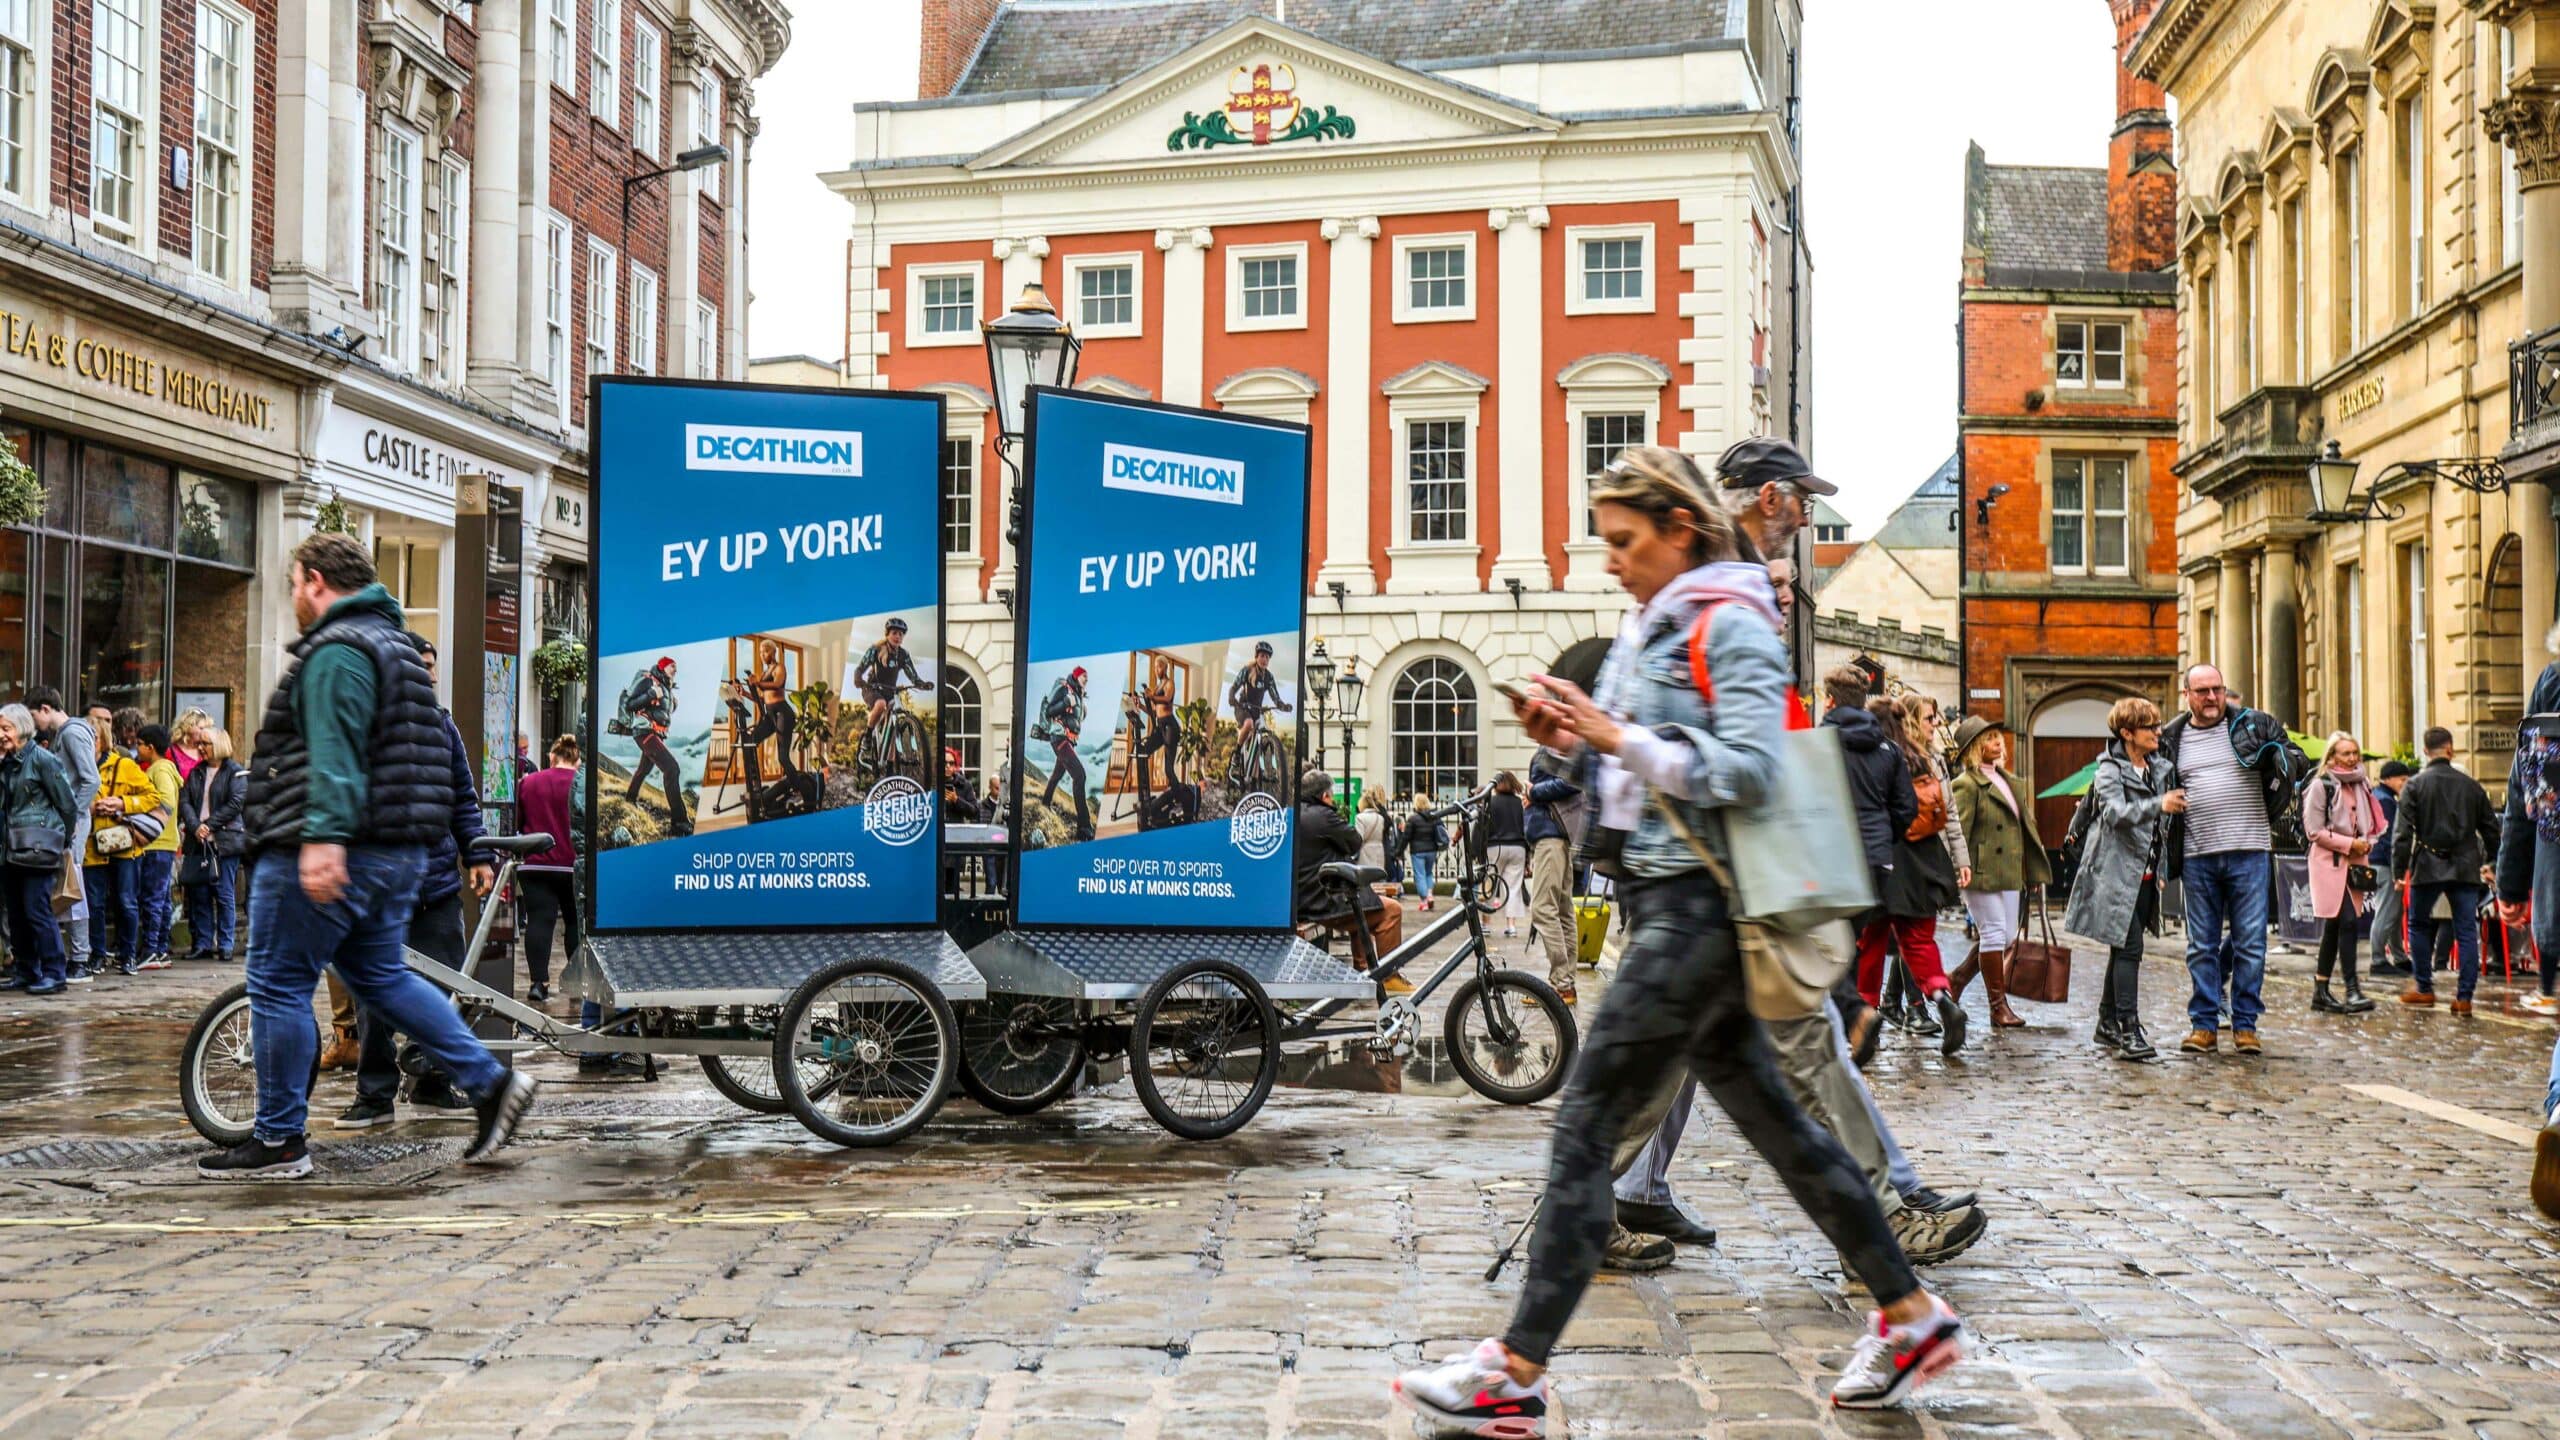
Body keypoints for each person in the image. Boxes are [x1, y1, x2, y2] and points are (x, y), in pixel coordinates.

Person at [1393, 447, 1961, 1434]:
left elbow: (1747, 771)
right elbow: (1638, 777)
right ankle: (1909, 1315)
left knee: (1583, 1131)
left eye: (1623, 540)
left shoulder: (1728, 619)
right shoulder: (1655, 625)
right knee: (1786, 1132)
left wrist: (1616, 740)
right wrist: (1574, 736)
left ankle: (1515, 1368)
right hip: (1667, 899)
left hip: (1696, 907)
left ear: (1680, 529)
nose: (1608, 558)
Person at [199, 532, 534, 1179]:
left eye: (295, 583)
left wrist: (325, 839)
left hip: (329, 846)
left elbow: (336, 748)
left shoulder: (339, 650)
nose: (293, 595)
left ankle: (278, 1142)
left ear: (318, 581)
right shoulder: (398, 651)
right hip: (398, 853)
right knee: (383, 977)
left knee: (277, 984)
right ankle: (490, 1084)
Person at [339, 633, 499, 1127]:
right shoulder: (367, 725)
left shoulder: (442, 726)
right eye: (421, 665)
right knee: (373, 1000)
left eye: (433, 665)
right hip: (381, 884)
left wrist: (475, 854)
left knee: (447, 988)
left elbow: (463, 799)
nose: (430, 673)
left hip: (435, 887)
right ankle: (374, 1094)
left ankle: (431, 1082)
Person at [2156, 663, 2298, 1056]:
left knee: (2251, 944)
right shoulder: (2171, 737)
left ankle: (2245, 1025)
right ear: (2187, 695)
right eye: (2202, 691)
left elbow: (2293, 756)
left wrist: (2284, 763)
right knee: (2200, 945)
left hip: (2250, 850)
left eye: (2217, 689)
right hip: (2198, 854)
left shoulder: (2254, 725)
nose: (2211, 697)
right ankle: (2204, 1025)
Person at [2062, 697, 2183, 1061]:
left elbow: (2160, 831)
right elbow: (2115, 813)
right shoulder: (2109, 771)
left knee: (2123, 947)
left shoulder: (2157, 768)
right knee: (2129, 949)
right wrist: (2158, 804)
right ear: (2127, 733)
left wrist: (2160, 871)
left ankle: (2107, 1022)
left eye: (2158, 725)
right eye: (2150, 727)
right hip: (2114, 875)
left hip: (2144, 876)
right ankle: (2129, 1028)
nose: (2158, 732)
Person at [1855, 694, 1969, 1054]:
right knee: (1919, 940)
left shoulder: (1874, 756)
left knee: (1869, 942)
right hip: (1923, 861)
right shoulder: (1920, 758)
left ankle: (1867, 1013)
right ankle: (1942, 998)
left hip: (1882, 858)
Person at [1947, 717, 2046, 1029]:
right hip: (1980, 870)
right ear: (1975, 748)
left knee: (2005, 937)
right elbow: (1958, 830)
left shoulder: (2009, 780)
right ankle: (1998, 1008)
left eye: (1998, 737)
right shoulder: (1966, 784)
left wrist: (2032, 872)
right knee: (1992, 933)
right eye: (1990, 738)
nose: (1998, 742)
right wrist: (1958, 868)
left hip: (2010, 869)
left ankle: (1957, 978)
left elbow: (2023, 830)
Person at [2394, 726, 2499, 1016]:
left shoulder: (2414, 786)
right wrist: (2492, 862)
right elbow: (2492, 831)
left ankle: (2425, 988)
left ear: (2426, 751)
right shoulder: (2471, 786)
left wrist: (2398, 869)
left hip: (2428, 863)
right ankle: (2464, 997)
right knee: (2466, 930)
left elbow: (2402, 834)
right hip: (2465, 865)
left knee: (2418, 924)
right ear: (2450, 750)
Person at [2301, 733, 2384, 1016]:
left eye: (2354, 753)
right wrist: (2350, 843)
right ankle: (2352, 989)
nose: (2352, 758)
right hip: (2329, 863)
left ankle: (2321, 990)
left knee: (2335, 927)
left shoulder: (2362, 784)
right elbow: (2313, 830)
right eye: (2345, 754)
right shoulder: (2321, 785)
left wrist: (2365, 842)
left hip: (2356, 861)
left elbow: (2369, 823)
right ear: (2332, 756)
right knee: (2347, 921)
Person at [0, 704, 77, 995]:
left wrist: (61, 841)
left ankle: (55, 973)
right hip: (9, 849)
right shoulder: (6, 762)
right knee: (17, 914)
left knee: (37, 910)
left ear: (22, 728)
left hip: (37, 848)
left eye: (6, 728)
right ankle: (27, 970)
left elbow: (67, 804)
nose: (1, 734)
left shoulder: (42, 759)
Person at [29, 689, 101, 980]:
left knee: (72, 886)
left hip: (71, 825)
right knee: (70, 886)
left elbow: (91, 779)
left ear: (45, 708)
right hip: (70, 822)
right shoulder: (69, 733)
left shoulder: (71, 734)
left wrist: (70, 816)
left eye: (34, 716)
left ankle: (80, 958)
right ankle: (78, 956)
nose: (34, 725)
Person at [83, 716, 162, 976]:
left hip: (123, 844)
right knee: (93, 904)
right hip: (91, 846)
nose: (87, 742)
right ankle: (96, 954)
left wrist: (121, 803)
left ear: (102, 739)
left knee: (126, 901)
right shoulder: (77, 766)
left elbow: (152, 797)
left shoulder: (124, 765)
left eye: (92, 737)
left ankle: (127, 955)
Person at [517, 736, 582, 1005]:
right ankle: (578, 983)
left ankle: (538, 983)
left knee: (539, 922)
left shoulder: (528, 783)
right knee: (575, 923)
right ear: (577, 760)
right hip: (572, 864)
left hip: (536, 863)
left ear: (552, 757)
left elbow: (519, 822)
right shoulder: (581, 784)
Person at [178, 725, 246, 960]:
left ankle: (225, 944)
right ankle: (203, 943)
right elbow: (184, 801)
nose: (200, 748)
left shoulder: (234, 772)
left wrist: (209, 825)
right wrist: (196, 826)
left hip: (224, 842)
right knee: (199, 893)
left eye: (205, 744)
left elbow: (236, 803)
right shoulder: (196, 772)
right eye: (200, 743)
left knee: (224, 892)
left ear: (218, 745)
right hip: (199, 842)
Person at [1524, 753, 1583, 1004]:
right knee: (1562, 910)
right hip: (1555, 835)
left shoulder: (1555, 747)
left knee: (1542, 909)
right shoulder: (1554, 746)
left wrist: (1534, 791)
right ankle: (1565, 983)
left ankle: (1561, 983)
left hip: (1551, 836)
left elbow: (1572, 781)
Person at [618, 656, 691, 837]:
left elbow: (660, 710)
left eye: (676, 666)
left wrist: (671, 704)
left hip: (656, 734)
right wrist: (651, 694)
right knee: (672, 769)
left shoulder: (666, 686)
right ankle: (679, 822)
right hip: (644, 732)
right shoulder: (649, 681)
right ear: (663, 666)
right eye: (672, 666)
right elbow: (630, 704)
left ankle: (630, 799)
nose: (675, 669)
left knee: (644, 769)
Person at [131, 724, 183, 970]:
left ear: (150, 747)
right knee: (161, 899)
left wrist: (144, 824)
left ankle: (152, 948)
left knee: (153, 897)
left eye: (139, 744)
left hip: (157, 842)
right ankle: (159, 949)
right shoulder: (165, 768)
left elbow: (165, 802)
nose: (136, 749)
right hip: (164, 842)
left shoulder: (160, 770)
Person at [1033, 666, 1094, 841]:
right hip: (1059, 738)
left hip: (1068, 740)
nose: (1086, 679)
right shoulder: (1065, 689)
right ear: (1076, 676)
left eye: (1087, 677)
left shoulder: (1079, 695)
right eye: (1084, 676)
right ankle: (1084, 827)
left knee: (1056, 775)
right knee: (1079, 776)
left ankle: (1045, 802)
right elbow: (1049, 711)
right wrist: (1066, 703)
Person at [2371, 759, 2417, 977]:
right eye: (2402, 779)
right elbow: (2391, 837)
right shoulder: (2386, 802)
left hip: (2379, 860)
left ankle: (2399, 957)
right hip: (2385, 862)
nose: (2405, 784)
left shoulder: (2379, 797)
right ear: (2388, 779)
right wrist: (2399, 867)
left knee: (2394, 911)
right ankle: (2378, 959)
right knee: (2387, 912)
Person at [1226, 641, 1292, 783]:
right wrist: (1232, 697)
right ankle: (1237, 754)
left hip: (1257, 710)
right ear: (1256, 657)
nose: (1265, 660)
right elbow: (1234, 687)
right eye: (1262, 656)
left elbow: (1276, 697)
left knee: (1264, 732)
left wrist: (1283, 706)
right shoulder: (1247, 670)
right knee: (1249, 724)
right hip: (1242, 707)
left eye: (1267, 657)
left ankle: (1263, 773)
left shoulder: (1269, 677)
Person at [854, 617, 926, 739]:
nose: (898, 636)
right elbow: (860, 668)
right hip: (872, 688)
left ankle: (891, 758)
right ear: (887, 635)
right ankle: (867, 736)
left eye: (901, 634)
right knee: (881, 704)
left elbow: (913, 675)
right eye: (894, 633)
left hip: (890, 691)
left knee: (893, 721)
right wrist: (858, 678)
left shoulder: (903, 655)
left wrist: (921, 684)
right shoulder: (875, 650)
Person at [1481, 772, 1531, 939]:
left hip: (1495, 846)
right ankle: (1511, 926)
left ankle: (1486, 924)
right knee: (1513, 888)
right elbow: (1526, 828)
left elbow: (1483, 827)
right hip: (1518, 847)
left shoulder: (1491, 802)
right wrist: (1528, 857)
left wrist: (1478, 850)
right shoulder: (1519, 803)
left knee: (1489, 885)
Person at [1401, 794, 1445, 912]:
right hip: (1432, 850)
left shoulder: (1412, 819)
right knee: (1428, 873)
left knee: (1420, 875)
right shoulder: (1434, 817)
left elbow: (1406, 837)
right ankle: (1430, 894)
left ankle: (1424, 901)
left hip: (1417, 851)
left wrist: (1398, 851)